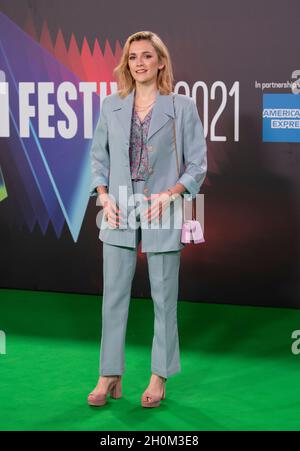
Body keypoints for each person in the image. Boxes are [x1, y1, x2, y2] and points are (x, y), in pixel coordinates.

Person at [88, 30, 207, 408]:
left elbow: (198, 165)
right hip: (118, 207)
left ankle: (160, 375)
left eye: (147, 56)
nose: (139, 62)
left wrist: (171, 195)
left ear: (160, 62)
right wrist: (104, 197)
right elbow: (98, 158)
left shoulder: (182, 106)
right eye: (133, 56)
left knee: (164, 298)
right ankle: (109, 375)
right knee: (113, 297)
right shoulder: (111, 105)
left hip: (164, 206)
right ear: (127, 63)